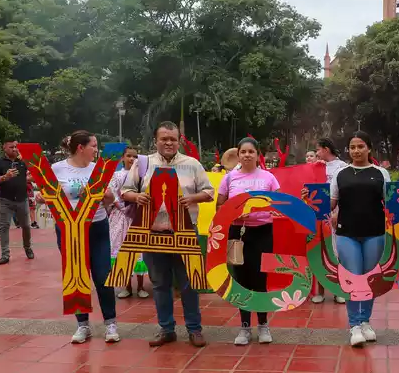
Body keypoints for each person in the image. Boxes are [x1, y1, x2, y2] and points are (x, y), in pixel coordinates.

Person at [121, 121, 214, 348]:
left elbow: (209, 192)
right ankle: (166, 328)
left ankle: (194, 329)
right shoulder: (142, 164)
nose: (169, 143)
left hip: (184, 232)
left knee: (189, 283)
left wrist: (192, 198)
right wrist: (136, 197)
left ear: (179, 140)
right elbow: (124, 190)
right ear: (156, 140)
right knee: (160, 284)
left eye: (173, 139)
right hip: (152, 233)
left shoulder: (192, 164)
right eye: (164, 139)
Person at [48, 131, 119, 344]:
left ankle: (110, 323)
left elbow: (111, 198)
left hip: (97, 226)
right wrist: (44, 197)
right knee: (77, 275)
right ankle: (82, 325)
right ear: (81, 147)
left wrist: (108, 196)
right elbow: (48, 195)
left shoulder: (100, 169)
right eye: (94, 146)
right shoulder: (57, 168)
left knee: (103, 275)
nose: (96, 150)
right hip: (69, 230)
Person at [218, 137, 281, 346]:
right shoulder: (229, 178)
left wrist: (261, 209)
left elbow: (278, 204)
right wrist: (235, 213)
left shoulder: (268, 178)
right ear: (238, 154)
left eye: (250, 152)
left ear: (257, 155)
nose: (246, 155)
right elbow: (221, 207)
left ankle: (263, 325)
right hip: (238, 233)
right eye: (243, 152)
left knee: (260, 279)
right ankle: (244, 327)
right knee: (241, 279)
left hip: (263, 231)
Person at [330, 131, 391, 346]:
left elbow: (391, 204)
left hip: (375, 233)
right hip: (347, 234)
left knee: (369, 279)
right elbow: (329, 205)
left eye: (361, 146)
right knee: (352, 278)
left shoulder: (381, 173)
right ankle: (354, 325)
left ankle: (366, 321)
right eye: (352, 147)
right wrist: (311, 201)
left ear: (369, 149)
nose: (356, 151)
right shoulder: (341, 173)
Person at [309, 137, 348, 305]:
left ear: (326, 149)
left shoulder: (342, 167)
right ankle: (320, 291)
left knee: (338, 252)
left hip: (337, 216)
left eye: (318, 150)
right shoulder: (316, 167)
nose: (316, 154)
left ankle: (339, 290)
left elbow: (345, 192)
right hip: (319, 216)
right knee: (320, 251)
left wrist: (338, 212)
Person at [108, 146, 149, 299]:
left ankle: (140, 286)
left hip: (138, 217)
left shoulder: (143, 175)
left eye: (135, 156)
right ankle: (126, 286)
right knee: (122, 248)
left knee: (139, 250)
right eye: (129, 156)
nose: (132, 159)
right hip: (121, 217)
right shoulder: (117, 175)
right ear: (122, 158)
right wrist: (121, 207)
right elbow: (112, 194)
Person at [0, 139, 35, 265]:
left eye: (16, 146)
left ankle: (28, 247)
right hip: (5, 200)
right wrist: (5, 177)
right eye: (11, 147)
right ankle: (5, 254)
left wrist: (28, 168)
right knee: (4, 227)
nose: (14, 149)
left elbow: (34, 171)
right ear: (4, 148)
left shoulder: (22, 160)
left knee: (26, 226)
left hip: (22, 199)